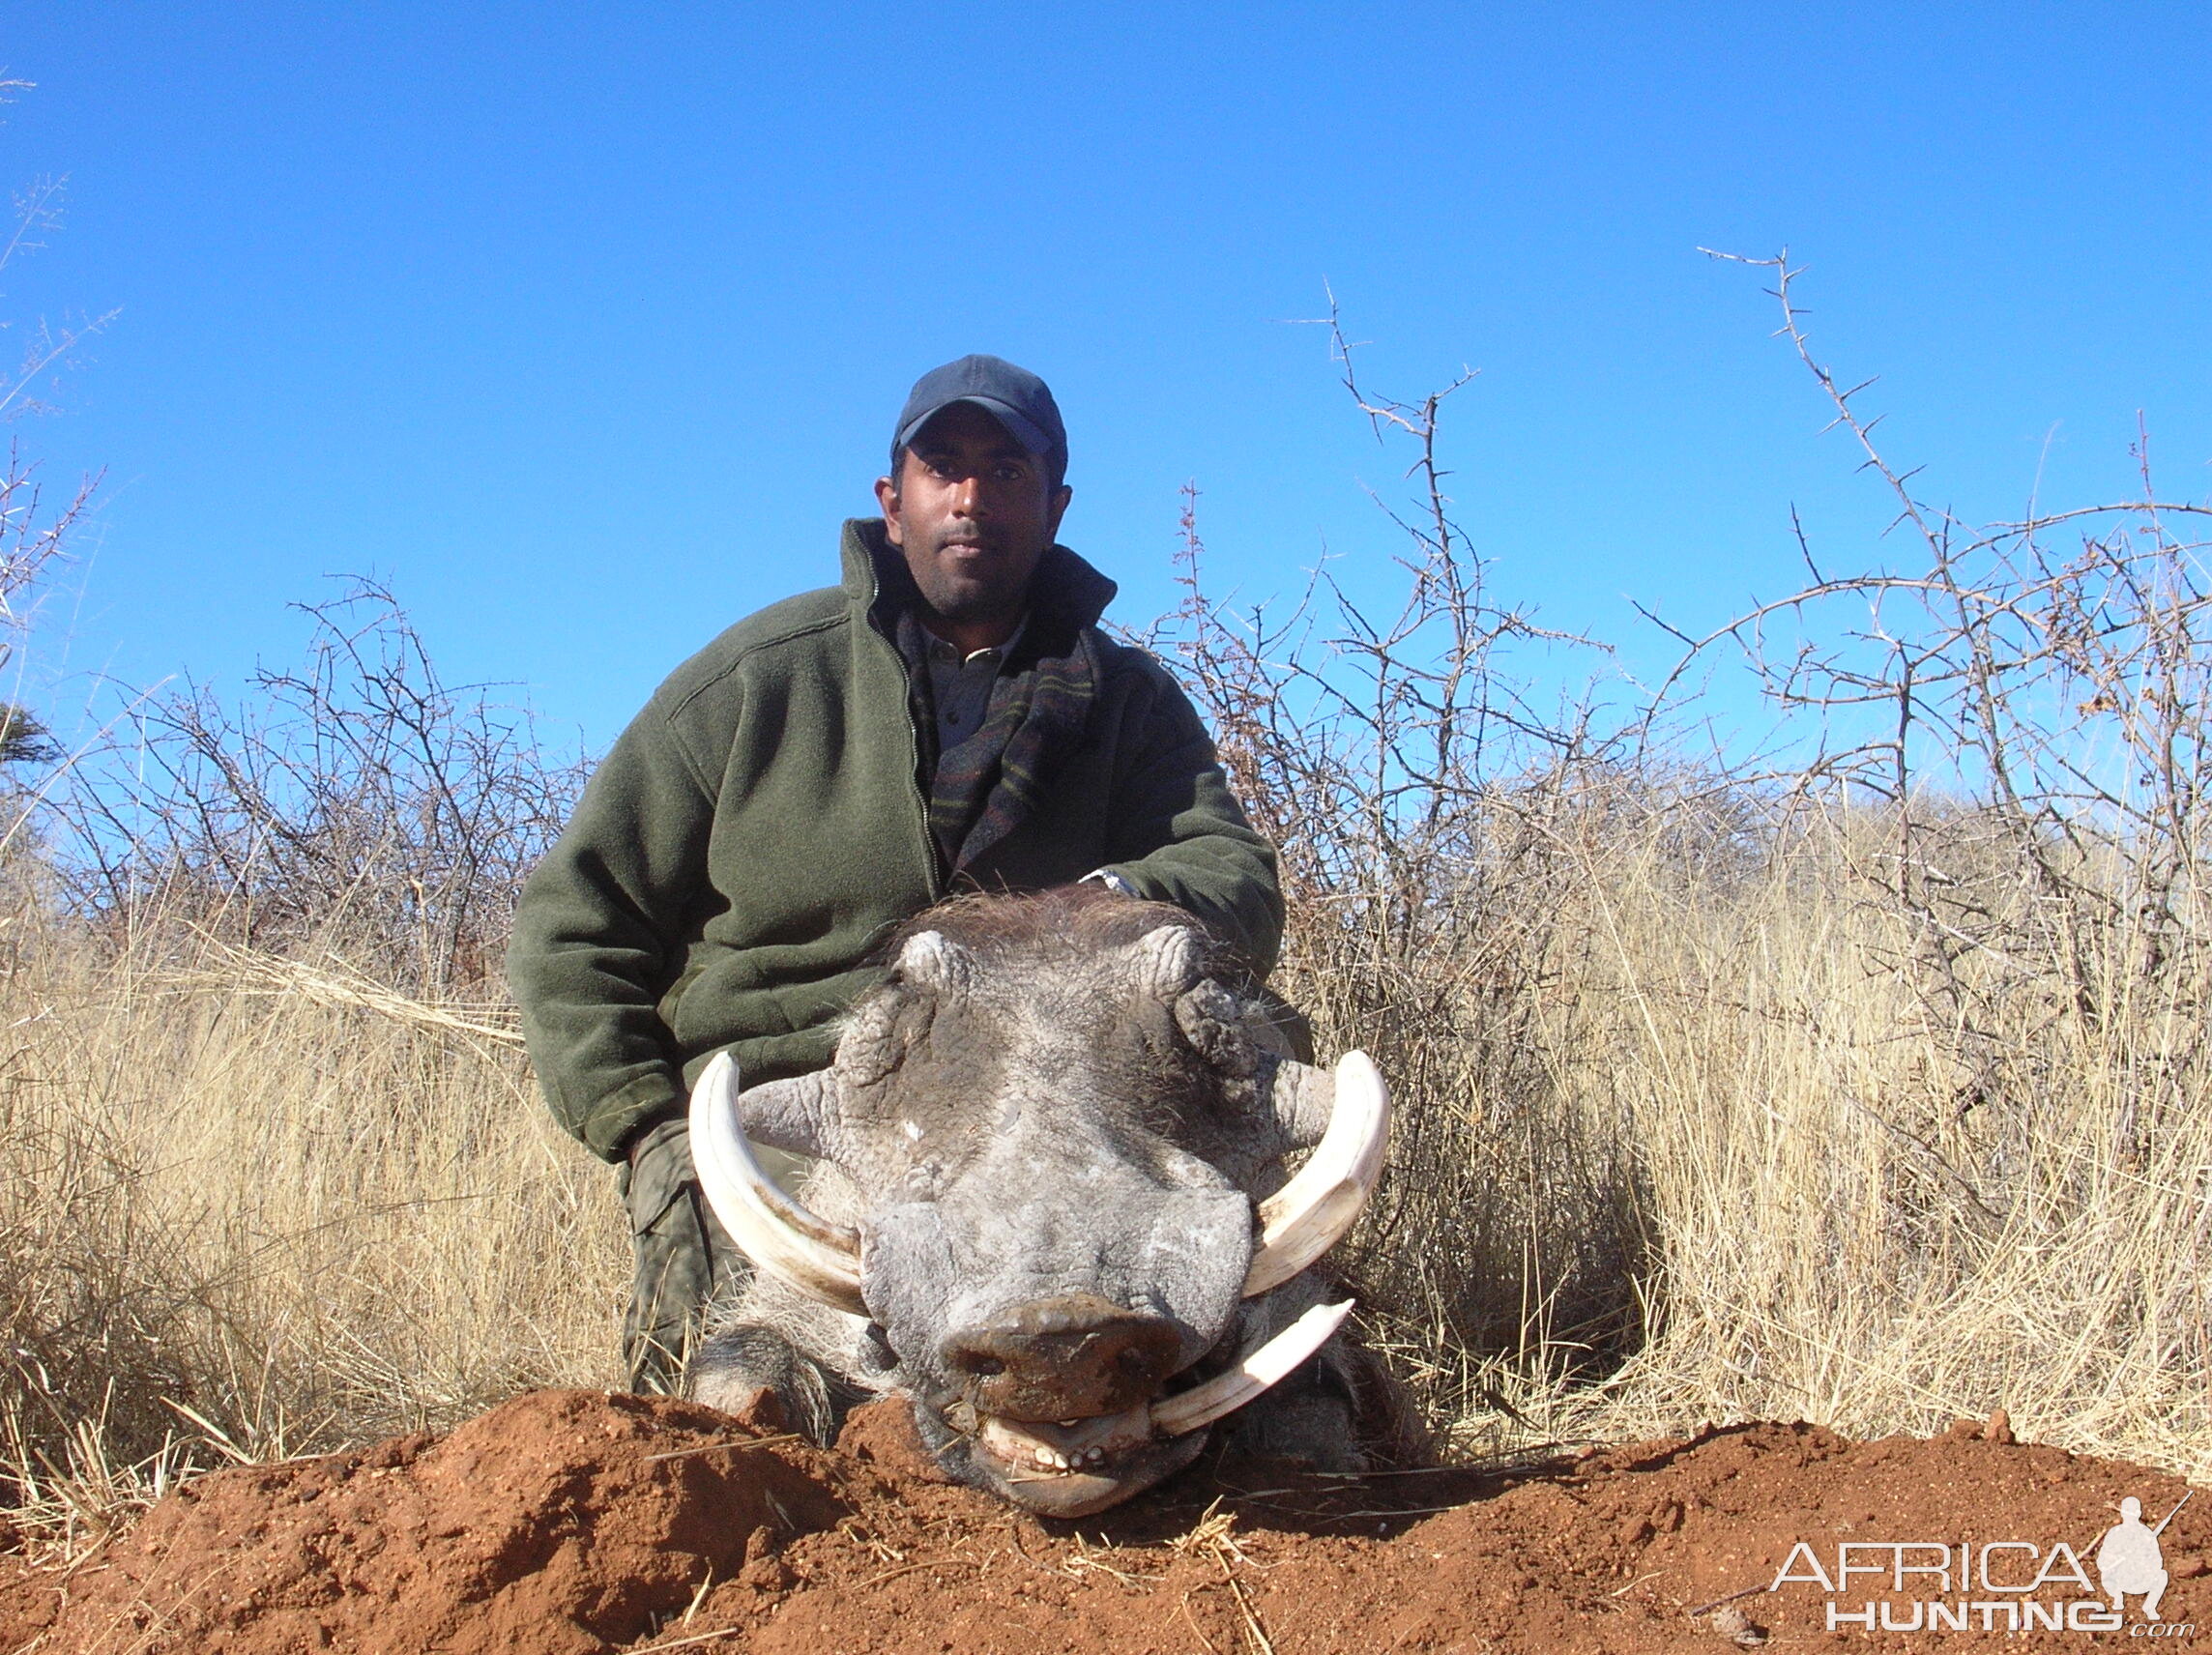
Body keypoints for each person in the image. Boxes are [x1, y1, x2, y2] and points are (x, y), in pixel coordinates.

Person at [507, 355, 1286, 1392]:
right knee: (730, 1403)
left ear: (1053, 508)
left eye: (1006, 471)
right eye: (942, 466)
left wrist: (1103, 901)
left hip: (1051, 1102)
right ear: (891, 501)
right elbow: (575, 919)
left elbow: (1230, 866)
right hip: (799, 1107)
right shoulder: (755, 681)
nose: (971, 496)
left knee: (1248, 1350)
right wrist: (649, 1135)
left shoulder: (1126, 695)